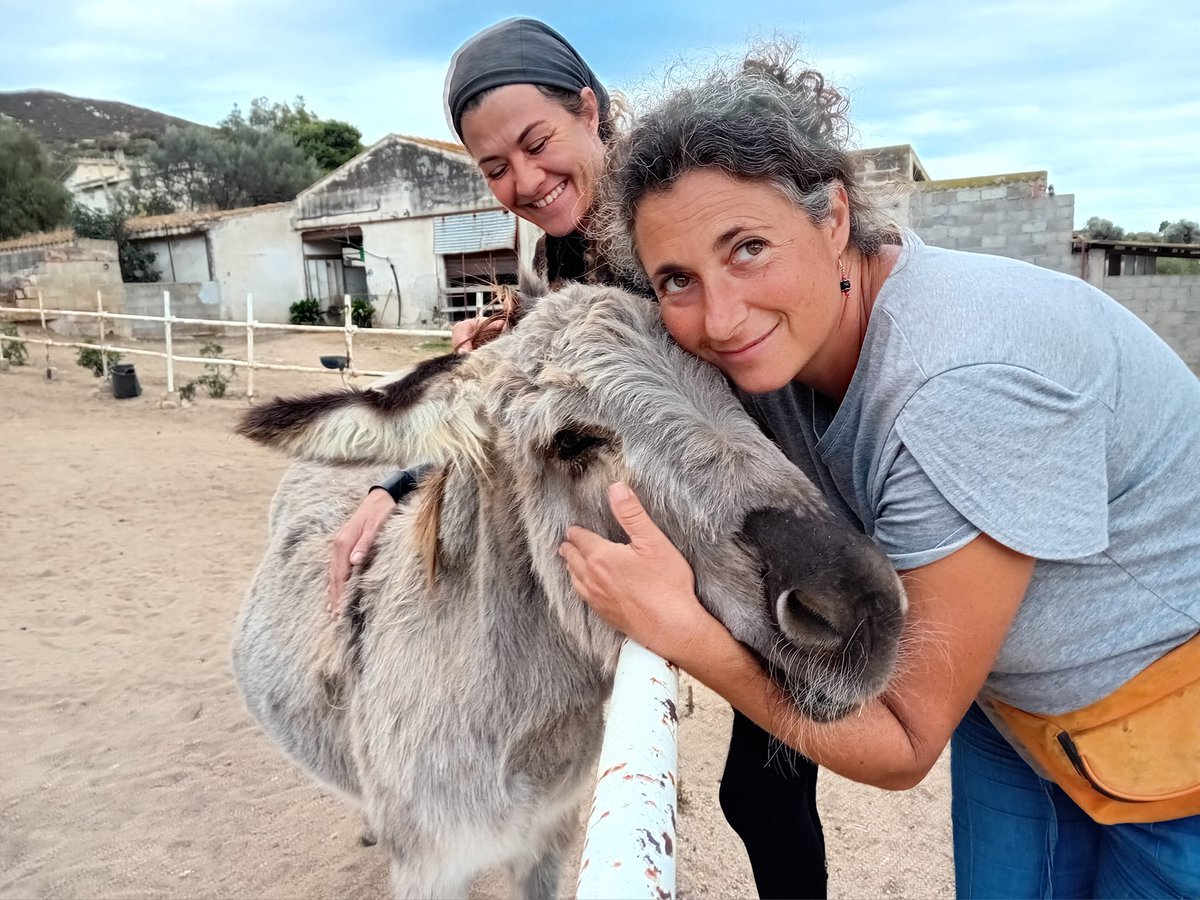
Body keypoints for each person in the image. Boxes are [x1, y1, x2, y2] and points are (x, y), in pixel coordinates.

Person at [562, 49, 1200, 898]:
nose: (720, 317)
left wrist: (684, 632)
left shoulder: (954, 385)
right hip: (1012, 710)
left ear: (833, 218)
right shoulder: (786, 341)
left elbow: (902, 744)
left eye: (748, 247)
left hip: (1171, 734)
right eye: (678, 278)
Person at [325, 20, 830, 899]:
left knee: (765, 788)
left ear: (588, 110)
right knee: (751, 783)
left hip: (753, 500)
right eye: (494, 168)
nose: (523, 180)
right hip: (680, 517)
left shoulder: (660, 210)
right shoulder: (557, 253)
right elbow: (531, 396)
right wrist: (393, 483)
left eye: (536, 143)